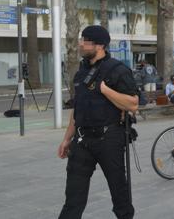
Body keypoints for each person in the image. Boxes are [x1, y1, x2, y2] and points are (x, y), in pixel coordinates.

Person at [57, 25, 138, 219]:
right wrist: (66, 139)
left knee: (119, 194)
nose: (80, 44)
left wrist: (106, 90)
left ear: (100, 45)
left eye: (85, 41)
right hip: (82, 141)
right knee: (73, 198)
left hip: (109, 139)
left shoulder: (118, 70)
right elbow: (77, 110)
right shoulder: (81, 72)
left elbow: (133, 104)